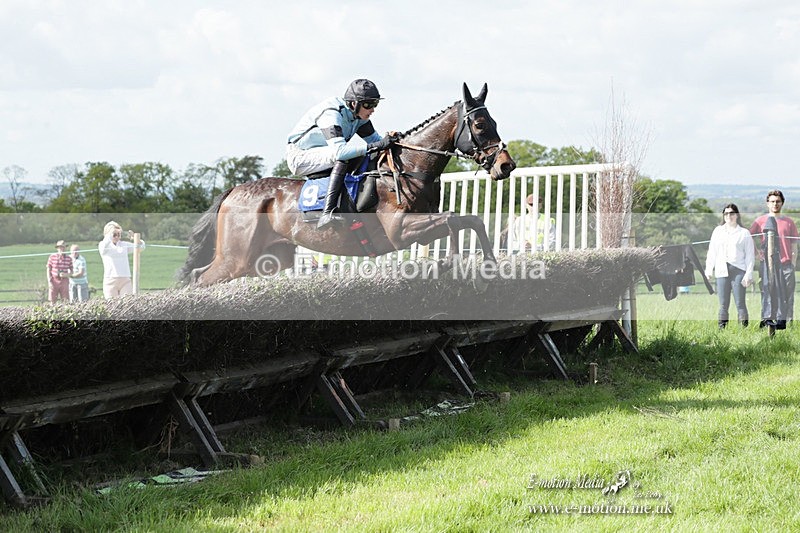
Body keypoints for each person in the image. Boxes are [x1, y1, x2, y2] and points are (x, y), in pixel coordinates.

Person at [286, 78, 396, 228]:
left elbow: (377, 142)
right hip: (300, 155)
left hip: (322, 152)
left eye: (375, 104)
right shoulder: (331, 115)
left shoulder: (359, 117)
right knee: (344, 156)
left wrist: (395, 140)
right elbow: (340, 152)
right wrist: (376, 145)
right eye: (368, 105)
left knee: (367, 154)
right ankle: (327, 213)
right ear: (353, 103)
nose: (372, 109)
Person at [749, 190, 798, 329]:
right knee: (767, 293)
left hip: (786, 264)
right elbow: (748, 237)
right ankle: (766, 322)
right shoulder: (760, 221)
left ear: (782, 203)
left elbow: (794, 244)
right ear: (767, 203)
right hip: (767, 265)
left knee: (787, 296)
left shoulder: (789, 222)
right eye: (772, 201)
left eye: (778, 201)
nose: (775, 204)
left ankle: (788, 324)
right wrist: (757, 253)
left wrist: (793, 262)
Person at [704, 204, 755, 328]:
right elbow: (712, 251)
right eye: (726, 213)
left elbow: (750, 256)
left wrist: (748, 274)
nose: (729, 216)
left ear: (736, 215)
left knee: (740, 303)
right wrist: (708, 269)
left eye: (731, 213)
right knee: (723, 303)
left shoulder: (744, 233)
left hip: (739, 270)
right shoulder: (718, 231)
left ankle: (743, 329)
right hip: (722, 270)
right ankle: (722, 329)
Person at [99, 221, 145, 299]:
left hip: (125, 279)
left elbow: (141, 247)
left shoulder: (124, 244)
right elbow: (103, 248)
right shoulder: (103, 245)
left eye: (119, 234)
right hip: (110, 280)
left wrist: (136, 239)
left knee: (128, 303)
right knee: (112, 306)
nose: (117, 237)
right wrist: (110, 233)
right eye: (114, 235)